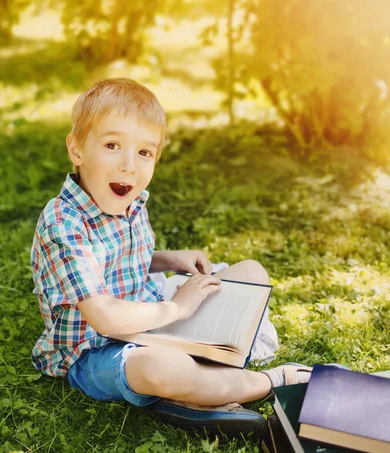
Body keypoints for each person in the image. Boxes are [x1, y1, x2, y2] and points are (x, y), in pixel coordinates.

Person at [30, 78, 311, 433]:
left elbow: (118, 261)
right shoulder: (63, 221)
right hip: (97, 351)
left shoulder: (130, 202)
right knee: (160, 367)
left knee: (251, 273)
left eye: (144, 152)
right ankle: (267, 381)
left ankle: (195, 387)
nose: (129, 165)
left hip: (152, 320)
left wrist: (168, 259)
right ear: (77, 149)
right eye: (113, 145)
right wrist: (177, 309)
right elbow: (104, 317)